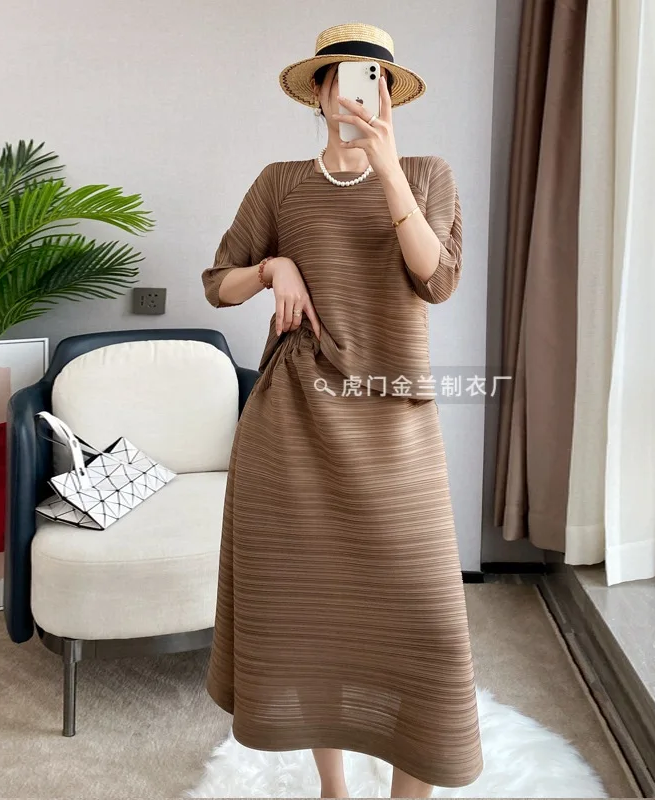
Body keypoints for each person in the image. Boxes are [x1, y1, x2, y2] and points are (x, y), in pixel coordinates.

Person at [201, 22, 483, 799]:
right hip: (292, 429)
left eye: (375, 80)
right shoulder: (280, 183)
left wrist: (388, 169)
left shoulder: (426, 173)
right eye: (344, 78)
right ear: (319, 92)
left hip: (396, 429)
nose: (360, 93)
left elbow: (436, 280)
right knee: (312, 624)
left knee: (427, 630)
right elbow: (217, 282)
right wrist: (273, 266)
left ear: (390, 95)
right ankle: (334, 788)